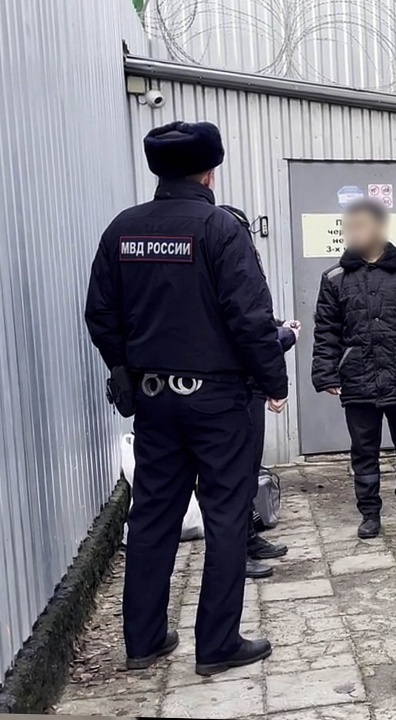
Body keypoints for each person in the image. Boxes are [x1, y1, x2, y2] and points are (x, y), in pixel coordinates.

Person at [84, 121, 288, 677]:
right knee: (226, 516)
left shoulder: (122, 230)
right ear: (209, 172)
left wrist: (124, 370)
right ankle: (217, 644)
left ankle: (144, 640)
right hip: (217, 401)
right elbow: (250, 319)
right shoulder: (220, 230)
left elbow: (100, 313)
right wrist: (274, 381)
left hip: (153, 400)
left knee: (153, 517)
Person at [311, 197, 396, 539]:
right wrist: (326, 372)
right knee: (364, 452)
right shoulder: (334, 278)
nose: (356, 233)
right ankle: (369, 514)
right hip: (357, 380)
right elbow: (326, 331)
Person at [219, 205, 300, 580]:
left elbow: (255, 321)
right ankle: (236, 554)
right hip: (237, 388)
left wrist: (277, 327)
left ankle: (249, 538)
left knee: (250, 468)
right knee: (237, 473)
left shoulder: (235, 265)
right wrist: (285, 336)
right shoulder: (229, 262)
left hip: (248, 387)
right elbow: (246, 333)